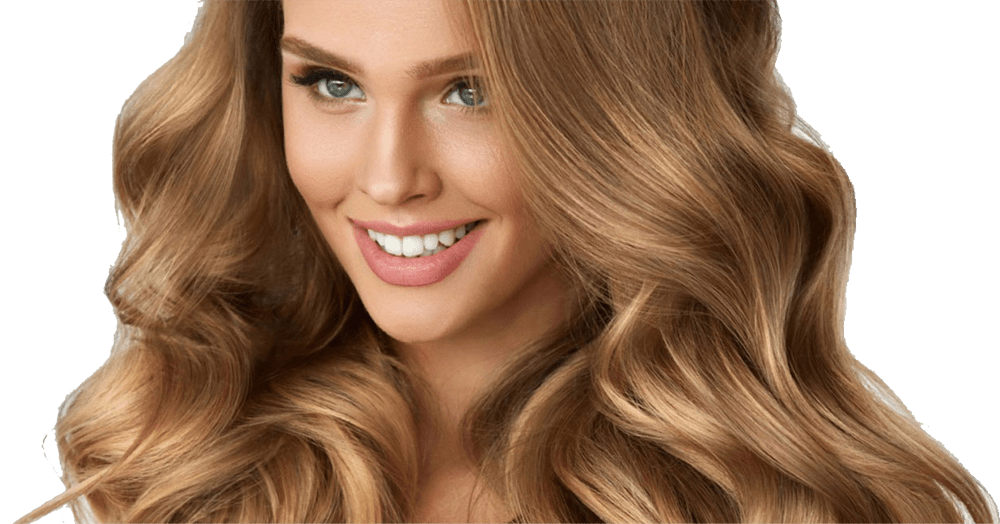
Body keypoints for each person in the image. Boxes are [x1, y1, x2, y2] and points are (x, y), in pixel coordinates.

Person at [17, 0, 997, 522]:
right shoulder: (179, 463)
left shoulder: (797, 503)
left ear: (618, 117)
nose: (389, 177)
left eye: (470, 91)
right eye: (331, 83)